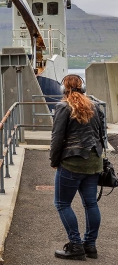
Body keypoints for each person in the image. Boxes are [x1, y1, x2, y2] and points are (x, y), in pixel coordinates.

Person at [50, 74, 105, 260]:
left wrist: (54, 161)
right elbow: (102, 136)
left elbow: (57, 138)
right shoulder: (95, 106)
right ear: (83, 88)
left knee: (62, 203)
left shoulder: (63, 107)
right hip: (94, 162)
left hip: (72, 163)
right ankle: (90, 246)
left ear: (63, 89)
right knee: (90, 203)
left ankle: (75, 245)